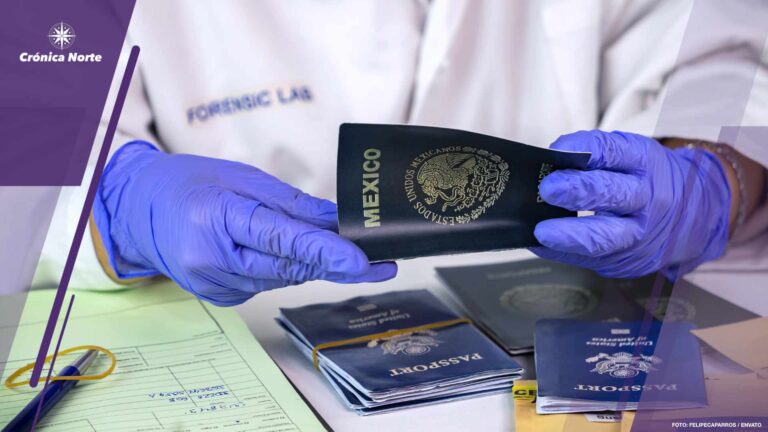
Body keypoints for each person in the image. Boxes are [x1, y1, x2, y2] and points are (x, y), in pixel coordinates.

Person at [34, 1, 768, 306]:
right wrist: (117, 200)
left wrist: (715, 174)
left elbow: (718, 40)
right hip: (239, 355)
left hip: (568, 327)